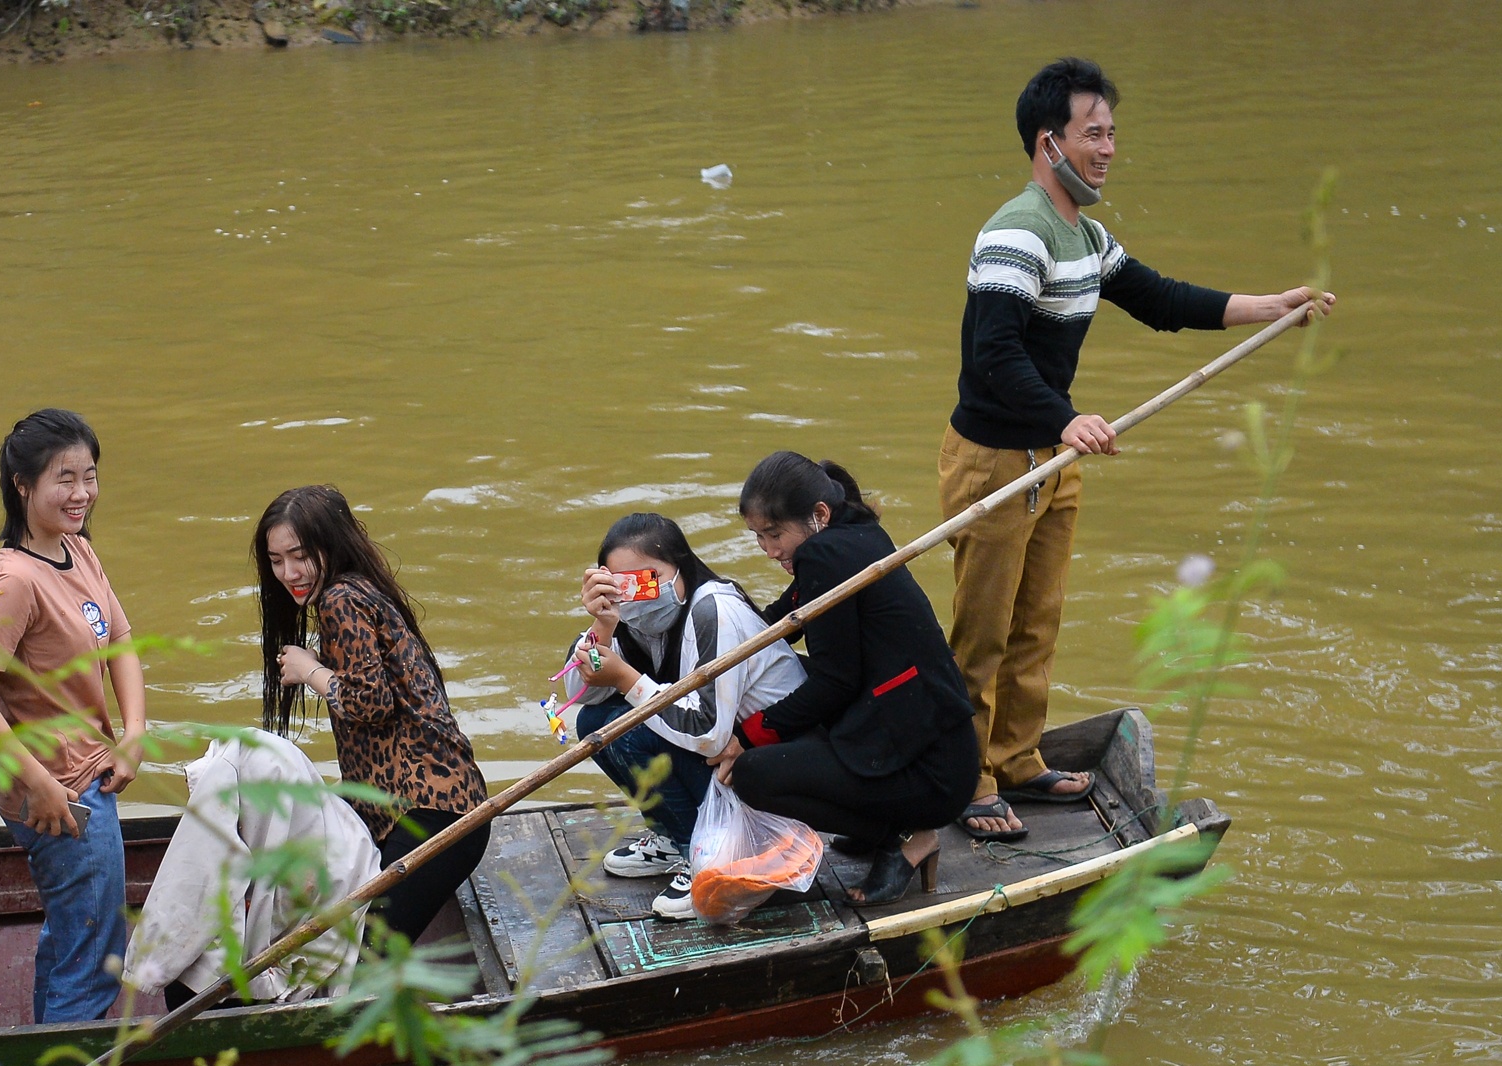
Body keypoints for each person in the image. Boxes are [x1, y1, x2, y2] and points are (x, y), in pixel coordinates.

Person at [941, 57, 1334, 840]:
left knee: (1037, 620)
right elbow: (994, 354)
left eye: (1113, 132)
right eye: (1094, 133)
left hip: (1054, 459)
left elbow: (1157, 298)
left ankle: (1017, 758)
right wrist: (1064, 417)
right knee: (981, 631)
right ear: (1048, 143)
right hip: (996, 461)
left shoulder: (1085, 234)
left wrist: (1268, 307)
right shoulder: (1015, 232)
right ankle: (966, 778)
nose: (1109, 148)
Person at [0, 409, 144, 1025]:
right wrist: (39, 783)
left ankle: (45, 1060)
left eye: (89, 476)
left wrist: (134, 733)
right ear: (22, 485)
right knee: (93, 953)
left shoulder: (77, 550)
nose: (81, 493)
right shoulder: (15, 581)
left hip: (91, 773)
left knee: (71, 938)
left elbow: (121, 641)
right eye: (65, 478)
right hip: (61, 793)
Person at [723, 452, 981, 905]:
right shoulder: (852, 534)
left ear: (818, 515)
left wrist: (745, 737)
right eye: (758, 537)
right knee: (781, 679)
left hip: (930, 772)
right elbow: (781, 622)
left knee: (752, 775)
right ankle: (883, 820)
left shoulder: (824, 555)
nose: (769, 550)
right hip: (931, 738)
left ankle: (905, 836)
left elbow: (834, 684)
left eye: (775, 534)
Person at [256, 485, 487, 942]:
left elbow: (369, 701)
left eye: (300, 555)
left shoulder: (340, 599)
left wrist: (311, 670)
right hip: (437, 809)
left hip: (431, 814)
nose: (289, 573)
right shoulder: (360, 588)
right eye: (277, 560)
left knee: (367, 961)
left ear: (330, 544)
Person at [559, 513, 806, 919]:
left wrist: (626, 679)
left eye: (650, 578)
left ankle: (711, 855)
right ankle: (678, 840)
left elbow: (708, 731)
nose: (639, 593)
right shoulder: (629, 617)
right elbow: (580, 694)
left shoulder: (714, 611)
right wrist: (602, 625)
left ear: (681, 567)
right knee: (595, 723)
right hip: (724, 756)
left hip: (771, 768)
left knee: (625, 732)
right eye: (624, 584)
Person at [124, 731, 380, 1013]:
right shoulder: (345, 834)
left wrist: (147, 965)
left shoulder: (344, 856)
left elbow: (190, 887)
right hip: (293, 969)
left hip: (287, 977)